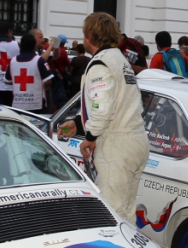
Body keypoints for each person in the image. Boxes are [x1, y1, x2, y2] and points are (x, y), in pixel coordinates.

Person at [63, 12, 148, 220]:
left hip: (117, 144)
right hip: (135, 139)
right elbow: (117, 102)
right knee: (126, 213)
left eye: (84, 34)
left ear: (90, 35)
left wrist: (90, 138)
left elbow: (102, 109)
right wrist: (78, 123)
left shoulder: (101, 63)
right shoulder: (120, 59)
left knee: (113, 215)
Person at [5, 33, 52, 114]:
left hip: (18, 105)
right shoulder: (39, 60)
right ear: (34, 46)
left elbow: (7, 80)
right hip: (36, 104)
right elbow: (48, 81)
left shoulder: (12, 61)